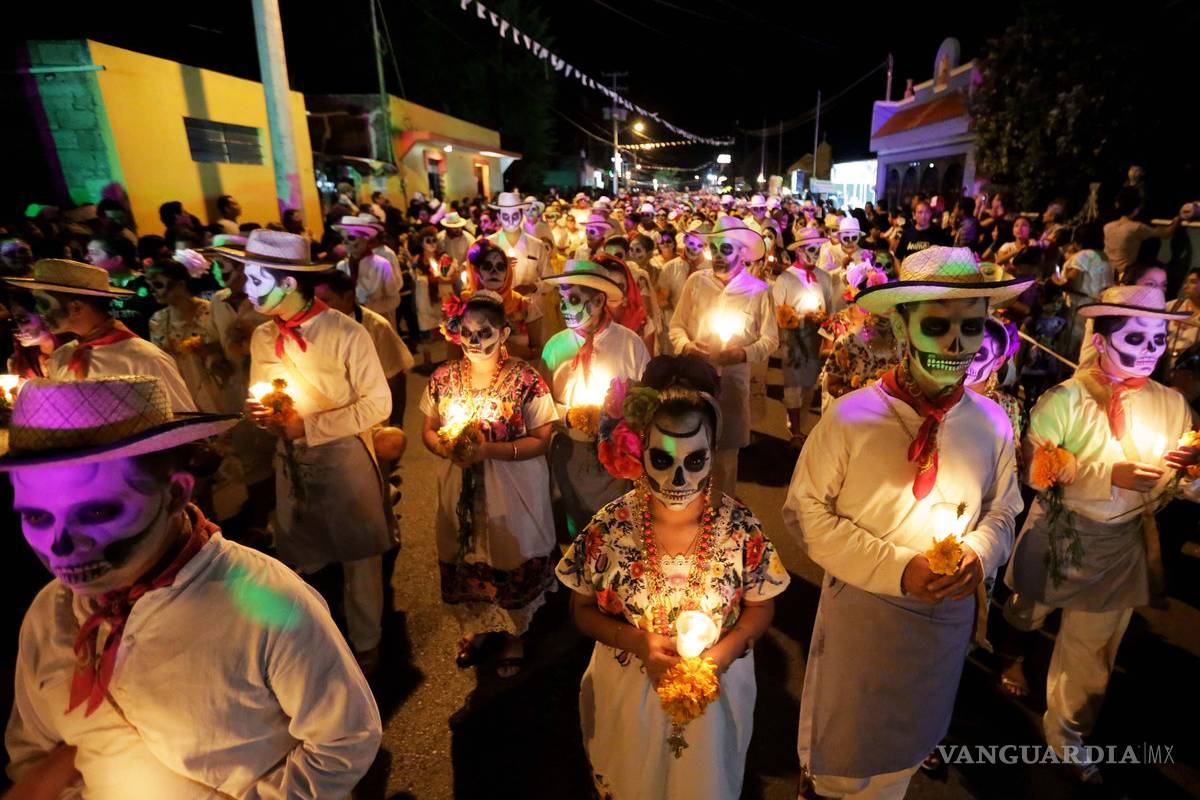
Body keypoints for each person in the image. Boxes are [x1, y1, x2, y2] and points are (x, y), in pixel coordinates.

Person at [1, 375, 382, 798]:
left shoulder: (267, 600)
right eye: (37, 517)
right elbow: (33, 750)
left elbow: (345, 740)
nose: (61, 544)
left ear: (176, 493)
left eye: (95, 510)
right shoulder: (49, 612)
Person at [785, 246, 1028, 800]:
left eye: (972, 327)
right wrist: (899, 569)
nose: (956, 344)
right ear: (902, 325)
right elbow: (805, 513)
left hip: (945, 620)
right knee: (846, 754)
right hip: (865, 615)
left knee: (907, 752)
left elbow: (1004, 506)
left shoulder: (991, 422)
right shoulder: (849, 417)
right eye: (937, 325)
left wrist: (978, 555)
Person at [556, 355, 789, 800]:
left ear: (713, 451)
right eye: (662, 459)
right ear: (637, 451)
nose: (679, 478)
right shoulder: (610, 528)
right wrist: (638, 644)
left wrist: (722, 654)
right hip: (630, 689)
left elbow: (761, 605)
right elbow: (580, 608)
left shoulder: (740, 529)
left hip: (717, 691)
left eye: (695, 459)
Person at [1004, 284, 1199, 784]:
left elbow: (1180, 480)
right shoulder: (1064, 399)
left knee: (1092, 649)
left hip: (1120, 543)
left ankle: (1067, 733)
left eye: (1159, 340)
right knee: (1027, 611)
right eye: (1138, 337)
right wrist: (1105, 475)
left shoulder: (1172, 404)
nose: (1151, 350)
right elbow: (1035, 471)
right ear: (1102, 339)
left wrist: (1188, 475)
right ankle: (1016, 653)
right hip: (1059, 534)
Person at [239, 230, 396, 674]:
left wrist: (310, 425)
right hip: (292, 462)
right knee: (302, 553)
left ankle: (367, 641)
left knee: (358, 555)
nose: (245, 290)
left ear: (288, 283)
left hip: (344, 460)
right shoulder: (261, 337)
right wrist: (264, 414)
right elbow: (262, 394)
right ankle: (315, 640)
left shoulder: (346, 332)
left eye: (255, 279)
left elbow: (377, 403)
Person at [422, 291, 558, 677]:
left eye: (484, 332)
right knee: (468, 549)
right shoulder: (444, 377)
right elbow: (427, 431)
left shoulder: (525, 379)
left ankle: (516, 632)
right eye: (466, 332)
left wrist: (491, 452)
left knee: (509, 548)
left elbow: (542, 437)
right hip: (459, 484)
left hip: (512, 486)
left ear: (504, 332)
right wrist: (446, 448)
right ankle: (479, 626)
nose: (474, 341)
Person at [540, 260, 650, 541]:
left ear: (600, 300)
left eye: (574, 300)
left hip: (616, 455)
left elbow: (646, 400)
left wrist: (618, 417)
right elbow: (541, 404)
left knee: (614, 527)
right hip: (569, 449)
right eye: (562, 300)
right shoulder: (554, 347)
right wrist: (569, 415)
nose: (565, 309)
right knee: (574, 524)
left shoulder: (630, 344)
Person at [669, 216, 779, 497]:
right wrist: (687, 346)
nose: (718, 256)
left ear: (742, 252)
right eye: (714, 249)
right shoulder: (696, 283)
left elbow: (770, 340)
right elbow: (676, 326)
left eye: (726, 249)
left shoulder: (758, 291)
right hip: (694, 381)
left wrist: (741, 353)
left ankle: (722, 517)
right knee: (689, 447)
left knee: (727, 457)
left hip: (732, 384)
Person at [5, 259, 194, 412]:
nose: (39, 311)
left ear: (76, 307)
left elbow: (184, 423)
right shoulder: (61, 358)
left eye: (44, 303)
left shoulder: (145, 358)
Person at [314, 269, 414, 426]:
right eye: (315, 301)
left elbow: (396, 378)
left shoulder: (376, 327)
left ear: (348, 298)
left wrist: (396, 425)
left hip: (370, 421)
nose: (318, 307)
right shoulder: (313, 327)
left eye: (325, 300)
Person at [772, 227, 834, 448]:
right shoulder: (785, 279)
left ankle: (800, 425)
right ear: (798, 250)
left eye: (817, 249)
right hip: (793, 339)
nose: (814, 253)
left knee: (810, 385)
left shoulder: (824, 278)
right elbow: (778, 313)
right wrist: (801, 317)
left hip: (815, 339)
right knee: (793, 384)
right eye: (810, 249)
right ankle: (796, 430)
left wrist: (824, 322)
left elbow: (830, 309)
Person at [146, 260, 224, 414]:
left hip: (215, 385)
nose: (153, 291)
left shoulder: (210, 311)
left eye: (159, 285)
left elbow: (225, 348)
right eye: (151, 287)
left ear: (181, 285)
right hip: (178, 388)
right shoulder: (157, 319)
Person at [461, 239, 544, 361]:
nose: (494, 272)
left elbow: (538, 351)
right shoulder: (464, 304)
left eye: (500, 267)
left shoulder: (524, 305)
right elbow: (454, 357)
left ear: (507, 272)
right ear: (478, 271)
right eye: (487, 266)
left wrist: (514, 351)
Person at [333, 214, 401, 328]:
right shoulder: (342, 266)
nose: (345, 243)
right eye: (342, 239)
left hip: (377, 325)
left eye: (351, 238)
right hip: (353, 326)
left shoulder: (382, 264)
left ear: (365, 238)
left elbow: (394, 299)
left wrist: (368, 307)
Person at [84, 235, 158, 338]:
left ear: (117, 259)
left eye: (94, 253)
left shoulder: (147, 284)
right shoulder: (94, 287)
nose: (87, 258)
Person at [1102, 187, 1180, 280]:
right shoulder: (1136, 228)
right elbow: (1166, 233)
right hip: (1124, 275)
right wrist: (1178, 219)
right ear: (1137, 208)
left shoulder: (1107, 227)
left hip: (1106, 272)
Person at [487, 193, 551, 297]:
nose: (511, 221)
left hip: (530, 307)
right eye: (506, 216)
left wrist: (531, 287)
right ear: (499, 217)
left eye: (515, 216)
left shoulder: (537, 245)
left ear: (521, 215)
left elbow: (550, 280)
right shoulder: (488, 245)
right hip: (499, 307)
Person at [3, 287, 64, 379]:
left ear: (45, 317)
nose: (17, 328)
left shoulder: (75, 350)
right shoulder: (20, 361)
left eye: (23, 320)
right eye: (14, 321)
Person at [1165, 268, 1200, 378]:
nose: (1186, 285)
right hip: (1161, 364)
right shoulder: (1175, 305)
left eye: (1193, 282)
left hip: (1186, 373)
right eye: (1187, 281)